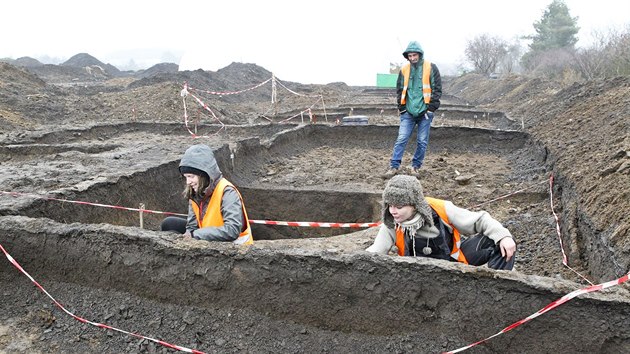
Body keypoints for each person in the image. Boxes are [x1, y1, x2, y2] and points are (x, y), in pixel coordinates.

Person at [367, 175, 516, 270]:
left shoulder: (440, 209)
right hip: (413, 276)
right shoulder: (392, 221)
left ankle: (494, 292)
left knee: (497, 242)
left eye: (399, 207)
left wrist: (504, 237)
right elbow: (376, 250)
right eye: (390, 205)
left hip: (453, 265)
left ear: (414, 205)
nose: (393, 211)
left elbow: (481, 220)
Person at [161, 144, 253, 245]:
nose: (188, 182)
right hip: (206, 236)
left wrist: (195, 235)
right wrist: (188, 236)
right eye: (186, 177)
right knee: (169, 223)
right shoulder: (195, 192)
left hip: (232, 247)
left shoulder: (227, 192)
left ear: (204, 175)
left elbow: (232, 230)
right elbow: (192, 226)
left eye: (191, 176)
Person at [384, 41, 442, 179]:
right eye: (409, 56)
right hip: (408, 112)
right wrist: (402, 108)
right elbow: (399, 90)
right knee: (401, 138)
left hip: (425, 113)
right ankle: (394, 166)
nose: (412, 58)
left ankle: (415, 166)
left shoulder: (431, 67)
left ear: (420, 55)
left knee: (422, 141)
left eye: (414, 55)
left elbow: (437, 89)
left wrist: (431, 109)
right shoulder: (404, 70)